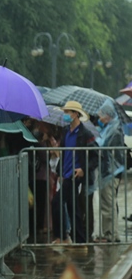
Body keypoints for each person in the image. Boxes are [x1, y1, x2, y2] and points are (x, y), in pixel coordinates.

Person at [51, 101, 98, 244]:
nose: (65, 115)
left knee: (57, 202)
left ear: (76, 114)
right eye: (65, 112)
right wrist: (59, 172)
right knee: (73, 209)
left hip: (75, 176)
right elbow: (64, 154)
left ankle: (61, 237)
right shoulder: (65, 132)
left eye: (68, 112)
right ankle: (79, 240)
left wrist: (84, 169)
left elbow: (96, 156)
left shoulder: (85, 134)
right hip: (65, 175)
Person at [95, 100, 125, 242]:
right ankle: (108, 232)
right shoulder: (109, 129)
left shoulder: (115, 131)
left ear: (108, 115)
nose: (99, 118)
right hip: (106, 172)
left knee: (108, 204)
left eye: (101, 115)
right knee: (105, 203)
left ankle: (111, 235)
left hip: (111, 172)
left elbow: (108, 150)